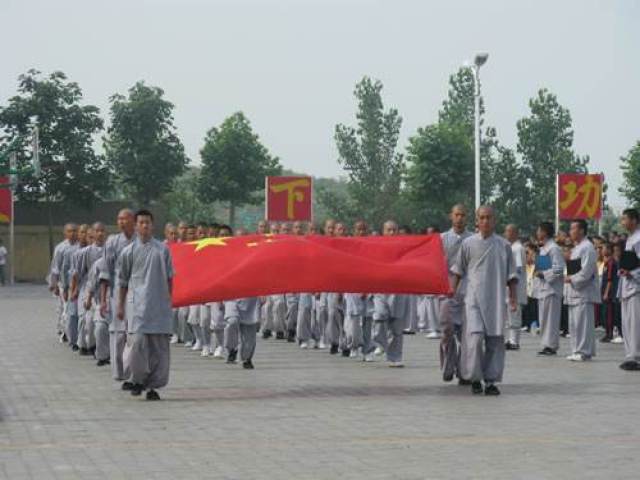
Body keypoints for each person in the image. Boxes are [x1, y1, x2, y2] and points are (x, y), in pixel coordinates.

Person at [451, 206, 518, 396]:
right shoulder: (468, 243)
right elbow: (457, 270)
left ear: (494, 220)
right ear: (477, 221)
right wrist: (451, 292)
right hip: (473, 299)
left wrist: (512, 298)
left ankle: (490, 381)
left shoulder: (504, 245)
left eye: (489, 217)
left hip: (496, 299)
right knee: (474, 337)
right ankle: (474, 377)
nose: (485, 221)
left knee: (495, 340)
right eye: (482, 218)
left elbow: (512, 276)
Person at [117, 209, 174, 400]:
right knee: (136, 344)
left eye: (148, 222)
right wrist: (120, 305)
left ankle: (153, 387)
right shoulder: (128, 252)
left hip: (158, 305)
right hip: (137, 306)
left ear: (153, 225)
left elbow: (169, 278)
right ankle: (137, 379)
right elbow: (123, 281)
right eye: (141, 222)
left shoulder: (163, 250)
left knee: (159, 349)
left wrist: (169, 301)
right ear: (135, 226)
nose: (145, 225)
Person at [100, 209, 135, 386]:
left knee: (135, 334)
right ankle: (119, 372)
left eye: (125, 219)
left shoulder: (140, 241)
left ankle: (132, 372)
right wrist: (104, 299)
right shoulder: (113, 242)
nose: (121, 222)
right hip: (117, 293)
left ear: (133, 221)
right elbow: (105, 272)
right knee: (118, 334)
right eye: (119, 219)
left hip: (137, 295)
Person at [439, 204, 472, 383]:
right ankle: (448, 366)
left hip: (467, 292)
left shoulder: (473, 239)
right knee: (447, 331)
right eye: (456, 215)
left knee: (466, 334)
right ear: (451, 216)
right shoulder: (441, 239)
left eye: (463, 215)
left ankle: (463, 371)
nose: (459, 218)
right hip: (447, 292)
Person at [372, 220, 408, 367]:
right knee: (379, 316)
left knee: (397, 328)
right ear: (383, 231)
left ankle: (395, 358)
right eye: (389, 230)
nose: (392, 233)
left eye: (394, 230)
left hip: (399, 290)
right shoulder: (376, 248)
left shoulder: (404, 248)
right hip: (381, 289)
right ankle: (380, 342)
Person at [564, 220, 598, 361]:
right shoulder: (576, 248)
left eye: (573, 228)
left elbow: (587, 271)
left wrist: (572, 279)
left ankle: (584, 351)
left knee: (583, 323)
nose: (570, 231)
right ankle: (577, 349)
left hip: (583, 291)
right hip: (573, 291)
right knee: (574, 323)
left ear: (582, 231)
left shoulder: (587, 247)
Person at [535, 222, 565, 356]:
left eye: (539, 230)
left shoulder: (554, 249)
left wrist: (544, 274)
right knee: (544, 319)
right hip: (543, 288)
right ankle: (545, 344)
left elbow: (559, 269)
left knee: (551, 319)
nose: (537, 233)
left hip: (552, 289)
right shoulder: (543, 248)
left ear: (545, 232)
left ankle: (551, 345)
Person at [618, 208, 640, 371]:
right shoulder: (630, 239)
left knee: (635, 323)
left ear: (634, 220)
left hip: (635, 286)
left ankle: (636, 356)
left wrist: (632, 272)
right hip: (627, 285)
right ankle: (630, 354)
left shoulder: (638, 238)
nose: (622, 222)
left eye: (624, 219)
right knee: (627, 323)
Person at [49, 223, 78, 342]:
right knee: (64, 308)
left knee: (71, 309)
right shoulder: (60, 248)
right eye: (70, 231)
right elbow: (55, 267)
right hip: (63, 283)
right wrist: (54, 284)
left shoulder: (80, 246)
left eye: (74, 231)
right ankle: (63, 331)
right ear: (65, 233)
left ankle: (70, 330)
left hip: (76, 283)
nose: (73, 233)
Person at [504, 224, 527, 350]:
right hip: (510, 287)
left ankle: (515, 341)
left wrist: (510, 280)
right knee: (510, 316)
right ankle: (510, 339)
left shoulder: (517, 248)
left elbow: (517, 268)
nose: (506, 233)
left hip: (516, 287)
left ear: (515, 233)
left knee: (514, 315)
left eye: (508, 231)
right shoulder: (511, 247)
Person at [223, 297, 260, 369]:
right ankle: (232, 349)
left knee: (249, 334)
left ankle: (246, 359)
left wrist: (263, 293)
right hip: (231, 297)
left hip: (250, 299)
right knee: (232, 322)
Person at [600, 242, 618, 343]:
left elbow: (610, 279)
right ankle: (607, 333)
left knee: (609, 313)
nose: (602, 251)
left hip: (609, 293)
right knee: (605, 313)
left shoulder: (611, 262)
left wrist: (606, 293)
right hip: (604, 291)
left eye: (604, 248)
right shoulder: (606, 262)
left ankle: (609, 334)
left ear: (609, 250)